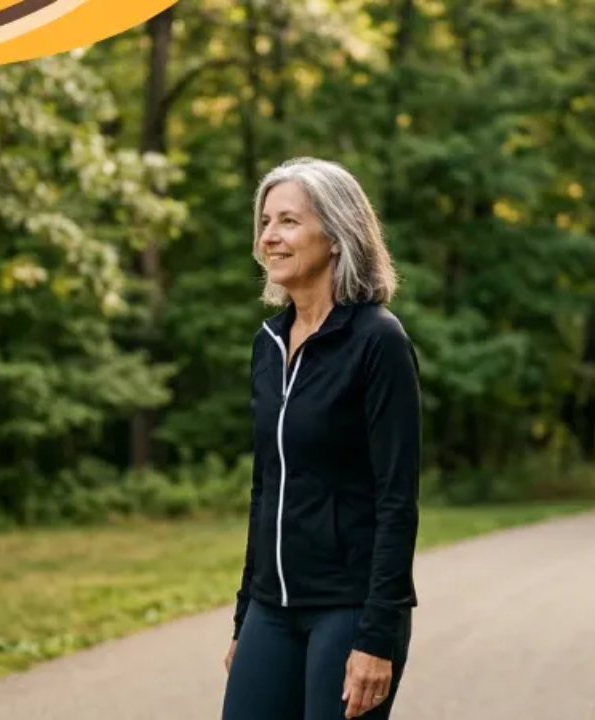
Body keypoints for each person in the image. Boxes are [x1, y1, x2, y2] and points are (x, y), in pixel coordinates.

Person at [221, 157, 422, 720]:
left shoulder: (377, 341)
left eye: (287, 221)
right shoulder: (269, 344)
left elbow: (396, 498)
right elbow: (267, 488)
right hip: (272, 608)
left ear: (335, 236)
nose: (269, 237)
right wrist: (245, 617)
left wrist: (376, 636)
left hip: (350, 607)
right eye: (265, 222)